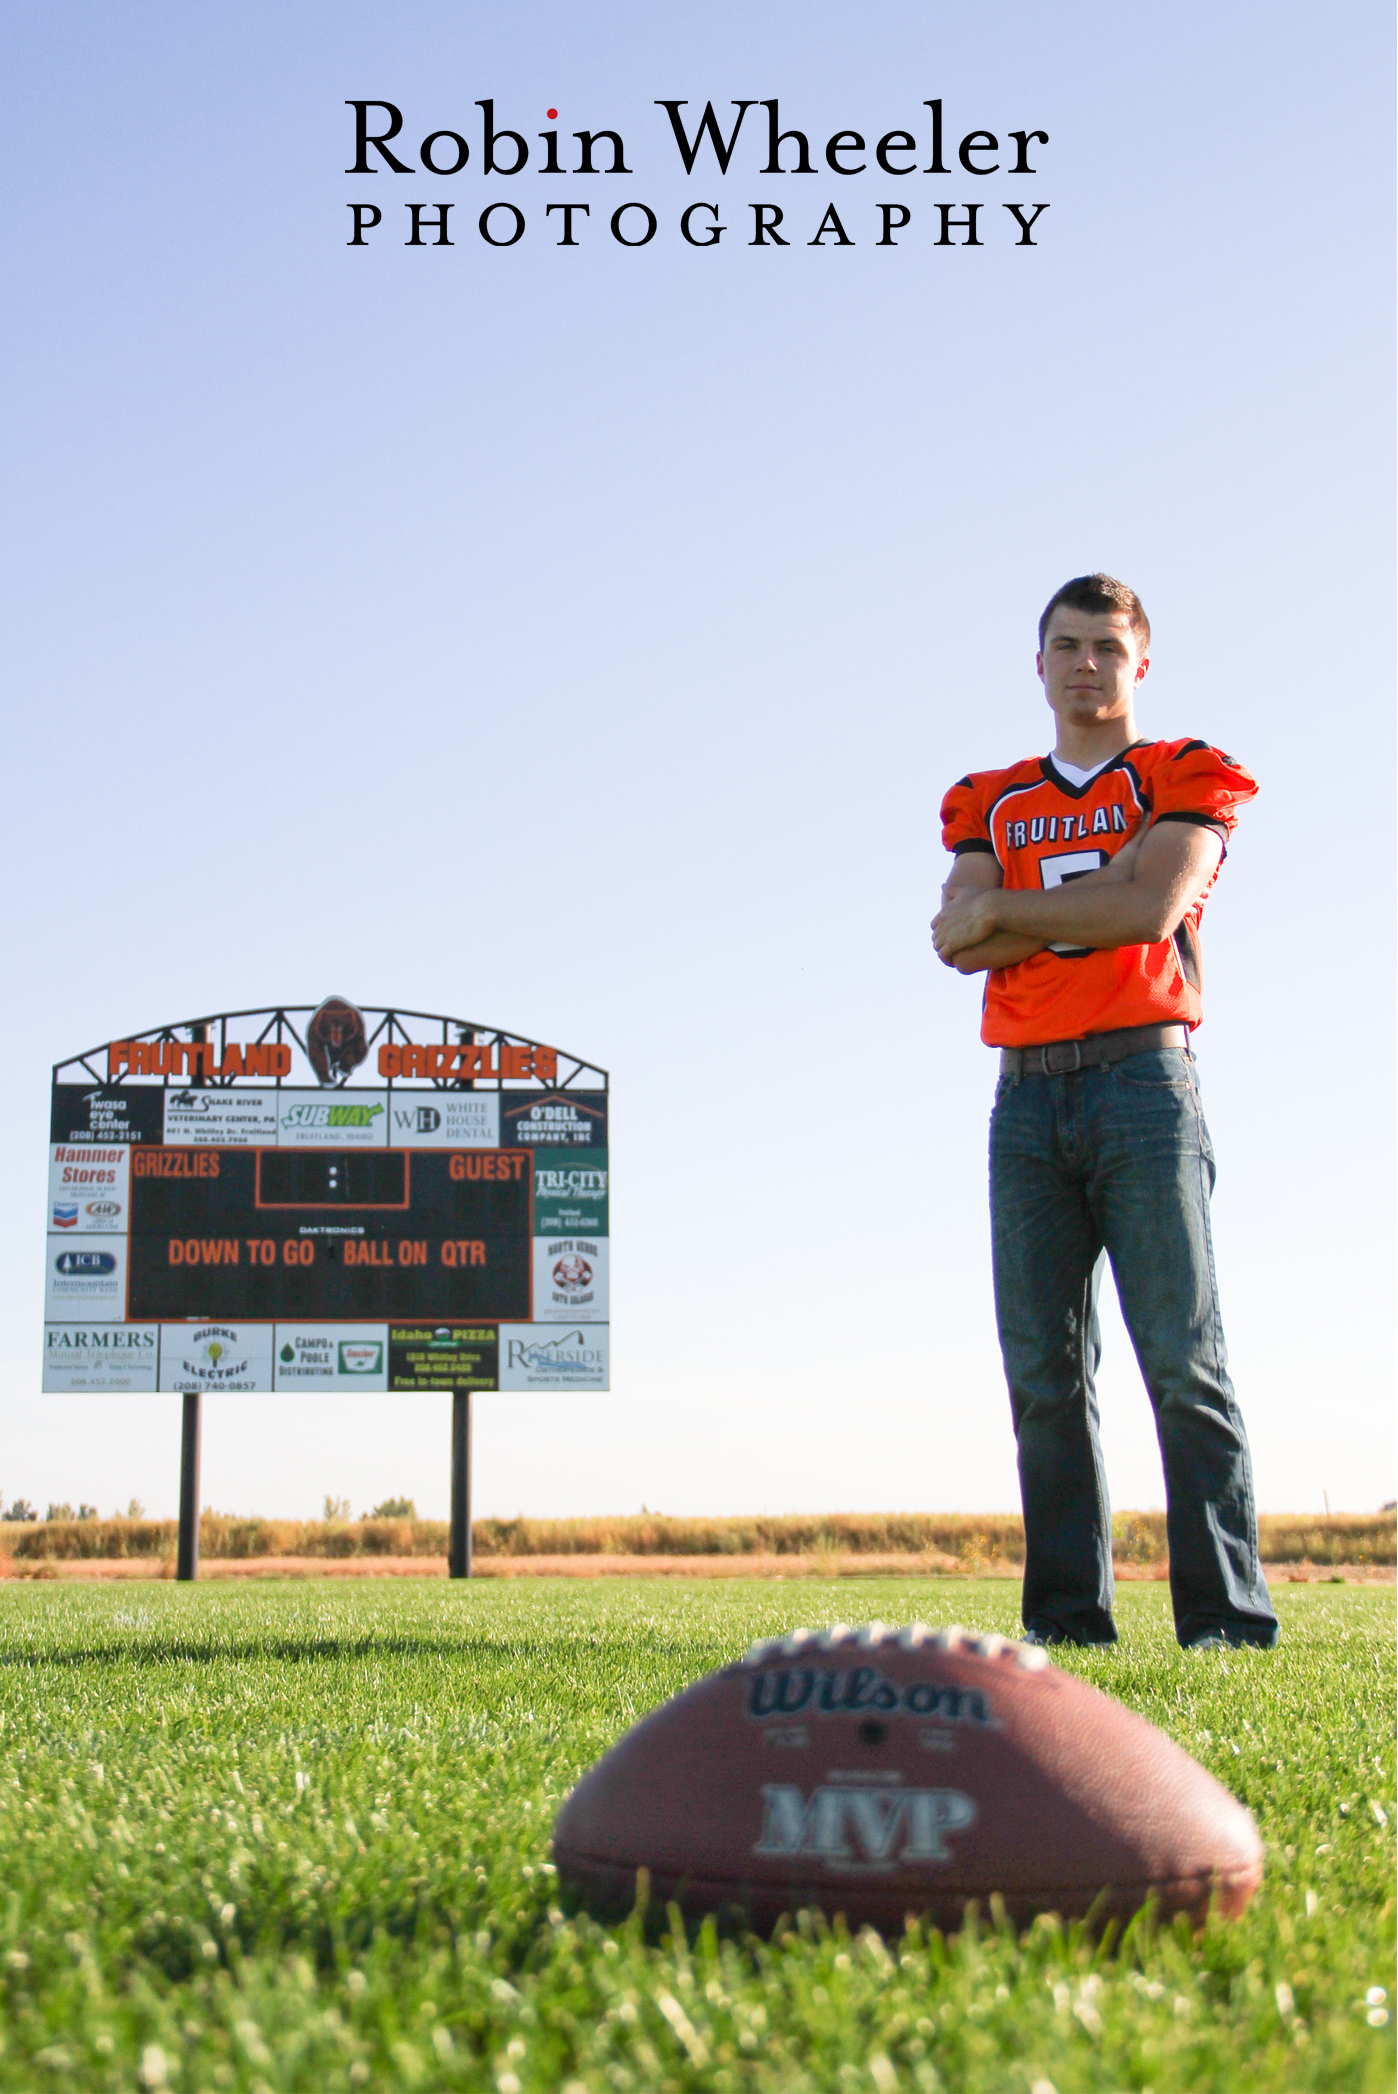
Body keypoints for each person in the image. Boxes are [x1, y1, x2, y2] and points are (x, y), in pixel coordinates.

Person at [931, 573, 1277, 1651]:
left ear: (1140, 664)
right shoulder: (990, 796)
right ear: (1038, 665)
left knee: (1182, 1355)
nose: (1088, 664)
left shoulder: (1181, 774)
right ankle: (1070, 1625)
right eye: (1068, 645)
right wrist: (1023, 910)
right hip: (1026, 1096)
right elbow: (954, 940)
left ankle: (1224, 1619)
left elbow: (1150, 904)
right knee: (1044, 1373)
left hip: (1143, 1083)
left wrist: (1007, 909)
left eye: (1108, 647)